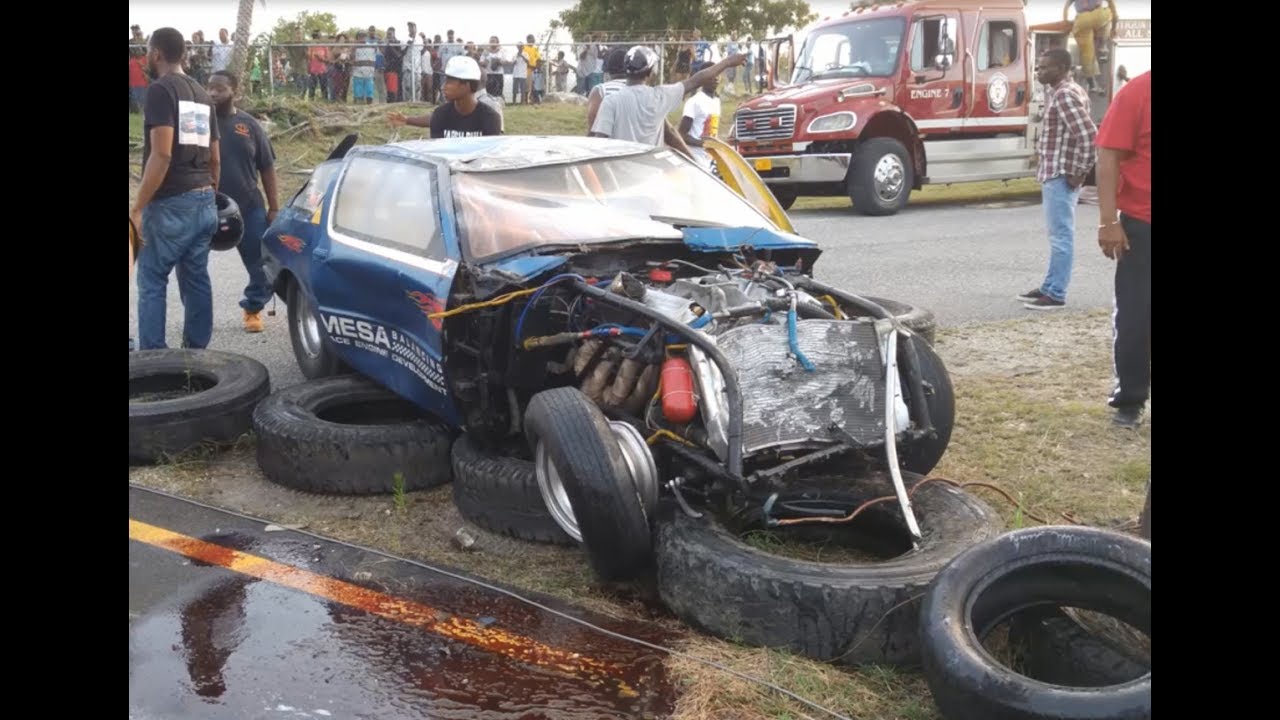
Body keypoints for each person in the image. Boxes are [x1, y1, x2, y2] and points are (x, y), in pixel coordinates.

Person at [131, 27, 220, 351]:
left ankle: (155, 361)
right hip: (203, 198)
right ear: (183, 53)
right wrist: (210, 195)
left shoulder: (160, 90)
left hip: (170, 202)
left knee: (152, 279)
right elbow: (215, 157)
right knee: (196, 276)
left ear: (156, 54)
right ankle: (196, 354)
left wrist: (138, 207)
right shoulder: (202, 93)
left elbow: (163, 152)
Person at [1018, 49, 1096, 310]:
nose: (1039, 72)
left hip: (1061, 174)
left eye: (1045, 68)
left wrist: (1081, 170)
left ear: (1062, 67)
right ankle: (1049, 286)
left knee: (1061, 236)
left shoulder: (1064, 95)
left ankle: (1057, 294)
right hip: (1055, 171)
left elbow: (1088, 134)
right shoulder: (1064, 91)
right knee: (1057, 235)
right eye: (1038, 68)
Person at [1094, 69, 1150, 428]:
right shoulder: (1138, 92)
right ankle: (1130, 399)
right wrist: (1107, 220)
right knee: (1135, 318)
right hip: (1143, 226)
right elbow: (1108, 156)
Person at [207, 70, 280, 334]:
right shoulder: (199, 124)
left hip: (249, 207)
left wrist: (273, 207)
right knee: (192, 270)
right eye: (210, 88)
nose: (213, 93)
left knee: (263, 266)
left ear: (235, 92)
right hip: (206, 207)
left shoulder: (249, 125)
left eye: (220, 89)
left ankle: (252, 308)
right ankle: (198, 324)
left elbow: (268, 168)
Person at [590, 45, 745, 148]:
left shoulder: (610, 102)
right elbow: (697, 80)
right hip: (651, 175)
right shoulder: (659, 97)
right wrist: (728, 62)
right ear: (650, 73)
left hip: (620, 180)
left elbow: (599, 143)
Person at [387, 55, 501, 138]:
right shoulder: (440, 115)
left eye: (450, 82)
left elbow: (488, 159)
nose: (443, 86)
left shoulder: (490, 118)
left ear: (466, 85)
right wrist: (407, 120)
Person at [1063, 0, 1117, 95]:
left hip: (1082, 19)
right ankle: (1103, 47)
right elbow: (1115, 13)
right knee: (1109, 14)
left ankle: (1092, 84)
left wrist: (1065, 20)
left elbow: (1066, 6)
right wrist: (1113, 29)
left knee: (1086, 53)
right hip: (1098, 15)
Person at [679, 72, 721, 173]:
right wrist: (703, 144)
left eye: (718, 75)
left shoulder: (716, 101)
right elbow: (681, 135)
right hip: (696, 159)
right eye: (711, 76)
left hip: (710, 159)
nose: (716, 78)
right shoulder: (694, 102)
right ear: (703, 79)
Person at [585, 47, 628, 134]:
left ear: (609, 68)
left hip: (606, 144)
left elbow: (593, 128)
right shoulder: (642, 92)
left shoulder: (599, 91)